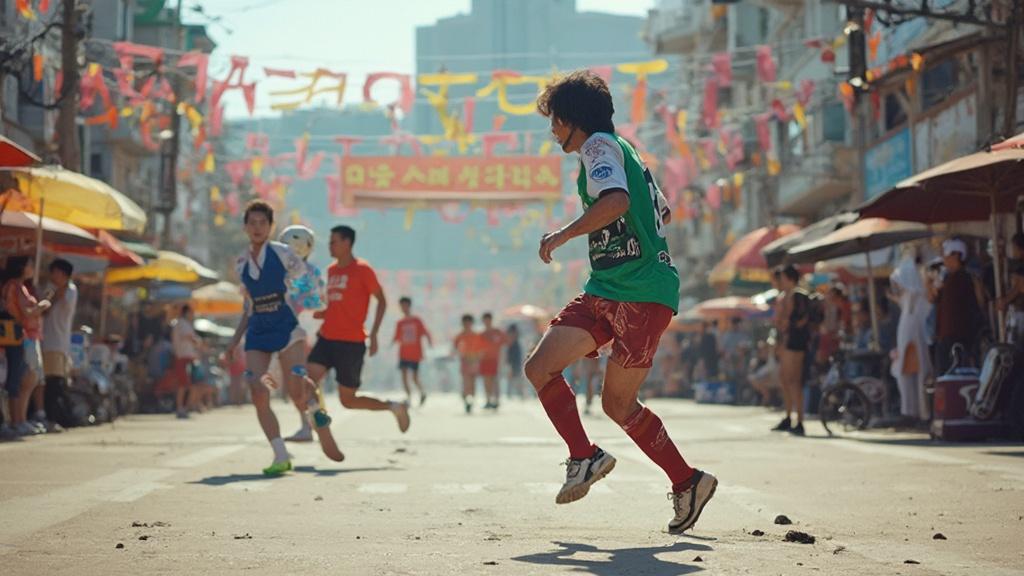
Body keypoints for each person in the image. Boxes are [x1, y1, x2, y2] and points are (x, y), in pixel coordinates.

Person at [527, 70, 716, 534]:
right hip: (606, 288)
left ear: (574, 119)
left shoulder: (597, 148)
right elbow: (661, 209)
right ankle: (583, 456)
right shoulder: (621, 149)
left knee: (619, 405)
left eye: (555, 121)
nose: (552, 131)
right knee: (539, 367)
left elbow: (614, 200)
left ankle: (687, 481)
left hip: (642, 294)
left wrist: (564, 234)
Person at [226, 200, 317, 476]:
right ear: (245, 227)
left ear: (271, 227)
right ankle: (280, 454)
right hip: (258, 331)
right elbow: (248, 307)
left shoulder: (283, 253)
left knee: (296, 392)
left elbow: (306, 280)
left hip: (286, 328)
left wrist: (297, 298)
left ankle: (312, 405)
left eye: (262, 223)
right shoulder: (241, 263)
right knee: (257, 388)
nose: (256, 228)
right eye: (252, 223)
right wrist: (233, 342)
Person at [306, 225, 410, 433]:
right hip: (327, 338)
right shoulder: (331, 271)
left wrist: (375, 333)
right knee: (307, 381)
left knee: (349, 400)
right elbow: (338, 304)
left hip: (351, 343)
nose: (330, 246)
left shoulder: (363, 270)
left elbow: (381, 301)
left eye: (333, 241)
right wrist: (324, 313)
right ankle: (315, 425)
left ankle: (393, 407)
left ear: (347, 243)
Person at [2, 257, 51, 436]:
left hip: (19, 337)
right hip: (15, 337)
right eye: (30, 265)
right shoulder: (15, 286)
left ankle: (19, 420)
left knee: (24, 378)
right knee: (21, 378)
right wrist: (43, 305)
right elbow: (27, 312)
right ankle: (16, 420)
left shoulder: (18, 286)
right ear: (22, 267)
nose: (32, 268)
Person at [889, 250, 932, 424]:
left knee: (923, 371)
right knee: (904, 373)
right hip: (905, 340)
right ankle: (909, 411)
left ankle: (923, 412)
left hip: (918, 338)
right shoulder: (907, 297)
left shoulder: (922, 297)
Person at [928, 239, 983, 373]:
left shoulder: (964, 278)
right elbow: (933, 299)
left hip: (957, 337)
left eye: (947, 256)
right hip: (946, 336)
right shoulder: (948, 278)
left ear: (956, 255)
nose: (945, 260)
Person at [39, 258, 77, 431]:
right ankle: (46, 417)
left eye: (55, 272)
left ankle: (53, 418)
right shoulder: (49, 289)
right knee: (46, 383)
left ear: (62, 274)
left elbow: (58, 303)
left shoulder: (70, 290)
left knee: (55, 383)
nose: (52, 275)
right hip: (46, 341)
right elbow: (43, 311)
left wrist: (54, 293)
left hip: (57, 342)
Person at [773, 265, 810, 436]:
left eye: (781, 278)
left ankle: (798, 420)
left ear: (788, 278)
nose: (779, 281)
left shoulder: (795, 295)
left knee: (793, 381)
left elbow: (794, 321)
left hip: (793, 342)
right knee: (786, 380)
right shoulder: (787, 296)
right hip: (789, 341)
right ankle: (789, 416)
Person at [393, 296, 433, 406]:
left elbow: (426, 332)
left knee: (415, 377)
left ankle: (422, 392)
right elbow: (396, 337)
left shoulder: (416, 320)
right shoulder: (400, 322)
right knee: (404, 376)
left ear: (409, 306)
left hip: (415, 354)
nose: (403, 308)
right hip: (403, 353)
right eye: (402, 306)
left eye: (405, 305)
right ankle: (408, 397)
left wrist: (430, 343)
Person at [171, 305, 202, 419]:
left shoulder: (183, 323)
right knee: (183, 385)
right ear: (187, 312)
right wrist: (198, 342)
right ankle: (181, 408)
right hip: (183, 357)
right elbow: (189, 337)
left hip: (187, 357)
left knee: (190, 384)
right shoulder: (182, 323)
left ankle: (185, 407)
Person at [453, 314, 483, 413]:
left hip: (474, 361)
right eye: (465, 323)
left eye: (468, 322)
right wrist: (461, 354)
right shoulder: (459, 336)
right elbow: (455, 348)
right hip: (465, 362)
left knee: (473, 383)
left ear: (471, 323)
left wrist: (477, 357)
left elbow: (481, 350)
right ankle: (466, 400)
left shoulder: (476, 336)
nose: (467, 325)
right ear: (462, 324)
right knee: (466, 383)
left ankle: (471, 401)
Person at [478, 312, 506, 410]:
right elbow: (478, 349)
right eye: (485, 320)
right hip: (484, 360)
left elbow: (504, 343)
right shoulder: (481, 334)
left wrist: (504, 359)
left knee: (495, 380)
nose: (487, 322)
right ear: (483, 321)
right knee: (486, 381)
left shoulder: (497, 332)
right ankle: (488, 400)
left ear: (491, 320)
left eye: (488, 320)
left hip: (495, 360)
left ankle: (496, 400)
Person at [505, 324, 526, 399]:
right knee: (512, 380)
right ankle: (511, 395)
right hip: (513, 364)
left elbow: (518, 356)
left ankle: (520, 394)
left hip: (517, 364)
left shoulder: (517, 344)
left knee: (517, 380)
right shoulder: (512, 344)